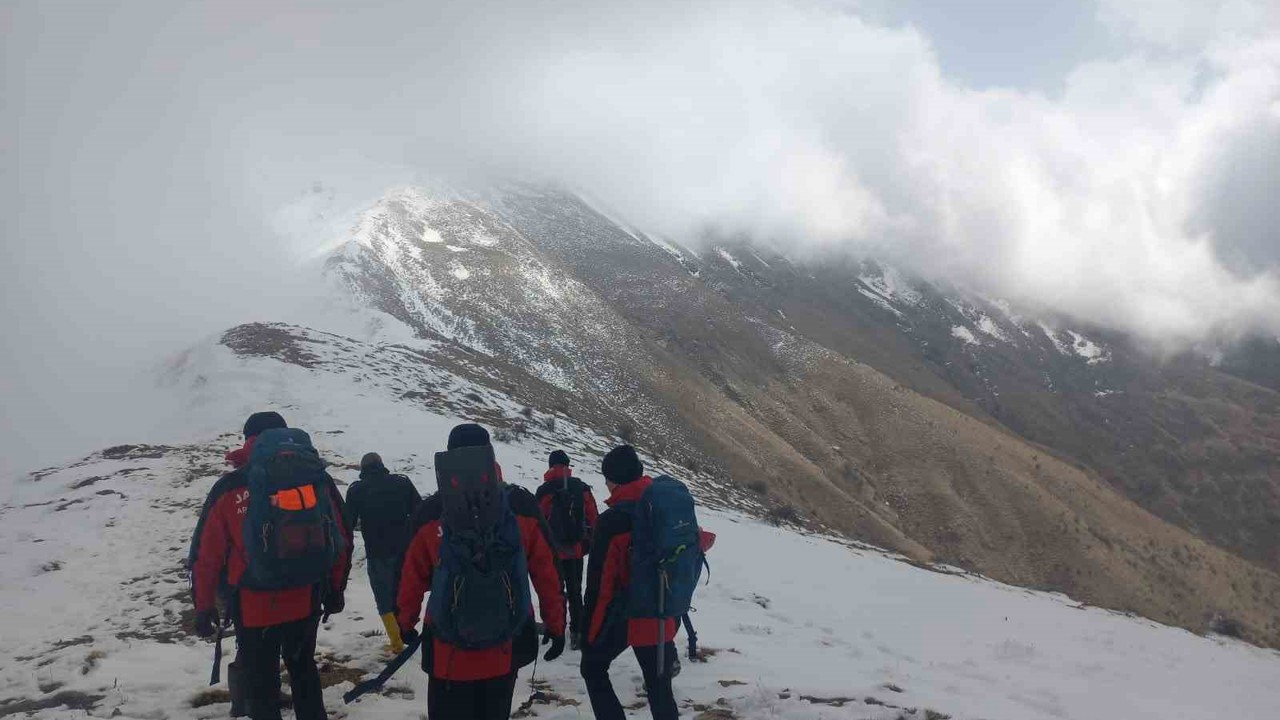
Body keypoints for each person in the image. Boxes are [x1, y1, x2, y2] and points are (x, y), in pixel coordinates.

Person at [396, 423, 567, 720]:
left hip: (447, 648)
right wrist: (556, 624)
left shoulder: (431, 512)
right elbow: (547, 573)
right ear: (490, 455)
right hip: (507, 642)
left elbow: (411, 577)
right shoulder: (520, 506)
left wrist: (405, 622)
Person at [190, 413, 352, 720]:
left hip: (253, 606)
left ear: (248, 440)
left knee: (261, 684)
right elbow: (341, 536)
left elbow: (206, 555)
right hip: (305, 597)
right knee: (304, 672)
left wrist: (203, 605)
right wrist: (335, 588)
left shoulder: (230, 487)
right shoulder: (315, 479)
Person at [581, 445, 681, 720]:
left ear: (613, 480)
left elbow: (600, 588)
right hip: (664, 609)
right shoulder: (663, 504)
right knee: (660, 689)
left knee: (592, 668)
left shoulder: (613, 522)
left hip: (629, 614)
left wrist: (589, 633)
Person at [344, 452, 421, 652]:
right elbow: (420, 512)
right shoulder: (402, 482)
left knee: (384, 598)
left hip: (377, 553)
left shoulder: (356, 490)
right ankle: (408, 629)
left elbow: (346, 524)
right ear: (381, 464)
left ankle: (396, 642)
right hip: (405, 549)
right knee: (405, 591)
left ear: (363, 469)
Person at [534, 449, 598, 650]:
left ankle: (557, 631)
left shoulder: (544, 490)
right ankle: (577, 633)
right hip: (576, 550)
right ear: (568, 466)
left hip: (553, 552)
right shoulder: (581, 488)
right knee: (575, 591)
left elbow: (538, 522)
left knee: (555, 591)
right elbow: (594, 518)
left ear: (550, 465)